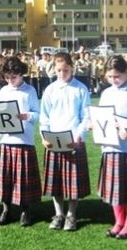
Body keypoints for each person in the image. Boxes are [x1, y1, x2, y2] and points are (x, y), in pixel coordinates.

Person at [39, 53, 91, 231]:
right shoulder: (50, 89)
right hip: (54, 142)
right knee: (56, 182)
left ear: (72, 68)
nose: (62, 73)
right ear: (54, 69)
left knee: (73, 183)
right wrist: (44, 136)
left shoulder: (81, 89)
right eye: (59, 70)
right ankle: (59, 213)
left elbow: (86, 116)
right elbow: (44, 117)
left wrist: (78, 136)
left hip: (73, 142)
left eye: (66, 70)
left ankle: (71, 215)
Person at [0, 56, 41, 227]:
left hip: (24, 140)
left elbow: (37, 113)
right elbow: (2, 111)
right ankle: (6, 209)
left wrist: (28, 116)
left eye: (14, 77)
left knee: (24, 178)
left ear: (21, 74)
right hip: (6, 139)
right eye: (7, 77)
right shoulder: (4, 91)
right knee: (6, 176)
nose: (10, 80)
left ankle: (25, 210)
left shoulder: (30, 91)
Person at [98, 55, 127, 239]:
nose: (113, 80)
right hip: (110, 147)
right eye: (110, 77)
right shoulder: (107, 92)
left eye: (117, 76)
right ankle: (118, 221)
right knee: (114, 188)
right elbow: (101, 115)